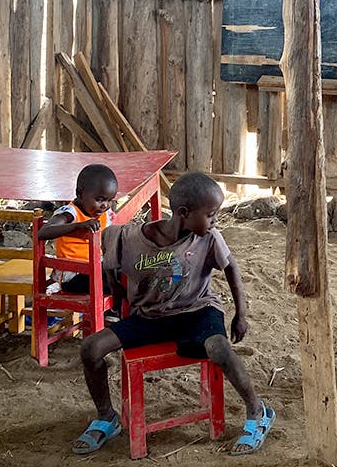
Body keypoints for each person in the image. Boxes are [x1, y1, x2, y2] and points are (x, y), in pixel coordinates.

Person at [73, 172, 274, 456]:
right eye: (211, 214)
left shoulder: (209, 238)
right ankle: (107, 417)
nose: (215, 220)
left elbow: (231, 268)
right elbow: (109, 260)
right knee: (91, 348)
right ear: (183, 213)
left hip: (198, 310)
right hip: (149, 317)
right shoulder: (128, 237)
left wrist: (241, 314)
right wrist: (117, 293)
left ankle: (258, 411)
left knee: (218, 347)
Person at [37, 164, 117, 295]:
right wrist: (78, 226)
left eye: (110, 200)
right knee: (115, 283)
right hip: (72, 276)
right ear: (80, 193)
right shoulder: (70, 213)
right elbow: (43, 232)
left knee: (130, 273)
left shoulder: (105, 213)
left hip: (95, 270)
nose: (105, 205)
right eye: (99, 200)